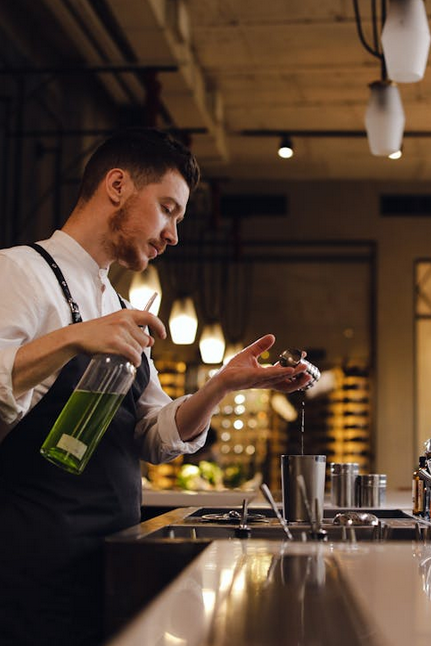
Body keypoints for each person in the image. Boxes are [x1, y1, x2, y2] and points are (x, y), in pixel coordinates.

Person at [0, 127, 312, 646]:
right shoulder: (19, 273)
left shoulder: (118, 310)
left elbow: (154, 434)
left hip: (109, 559)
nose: (173, 235)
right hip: (31, 564)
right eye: (168, 209)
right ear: (117, 186)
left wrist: (220, 386)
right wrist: (74, 339)